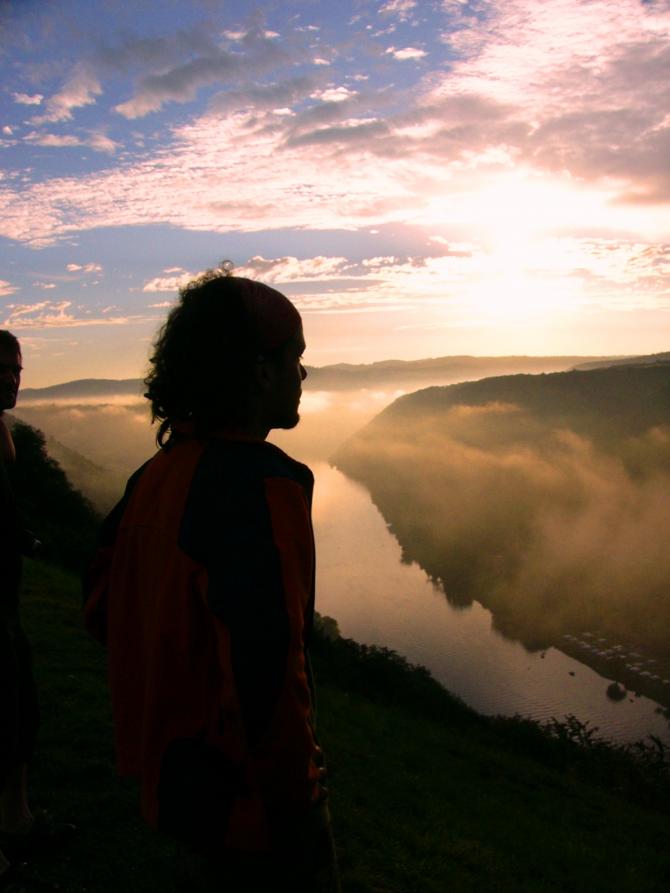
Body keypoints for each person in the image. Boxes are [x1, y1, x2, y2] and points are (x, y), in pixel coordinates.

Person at [84, 271, 339, 892]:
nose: (302, 376)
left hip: (173, 781)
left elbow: (98, 609)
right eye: (295, 358)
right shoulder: (265, 486)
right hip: (245, 801)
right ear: (258, 370)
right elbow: (272, 669)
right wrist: (299, 802)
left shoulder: (154, 475)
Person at [0, 331, 64, 893]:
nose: (11, 379)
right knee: (11, 710)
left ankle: (15, 820)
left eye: (17, 369)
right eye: (2, 369)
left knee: (19, 709)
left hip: (6, 598)